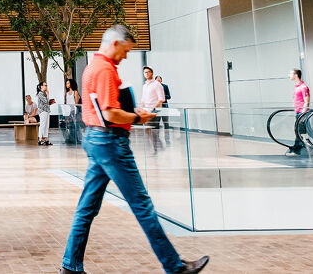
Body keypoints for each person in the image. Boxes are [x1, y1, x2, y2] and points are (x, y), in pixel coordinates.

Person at [60, 25, 208, 274]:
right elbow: (110, 113)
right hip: (112, 143)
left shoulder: (90, 68)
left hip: (96, 140)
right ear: (115, 43)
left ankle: (71, 267)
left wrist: (130, 113)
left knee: (86, 208)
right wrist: (137, 117)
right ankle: (175, 267)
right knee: (141, 204)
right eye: (126, 50)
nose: (126, 56)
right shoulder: (105, 69)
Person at [286, 69, 310, 157]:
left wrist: (302, 114)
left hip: (302, 113)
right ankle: (299, 149)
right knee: (300, 132)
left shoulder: (303, 87)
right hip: (298, 112)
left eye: (290, 73)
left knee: (299, 132)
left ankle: (297, 150)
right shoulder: (297, 87)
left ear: (296, 75)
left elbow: (306, 101)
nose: (289, 75)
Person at [141, 67, 166, 153]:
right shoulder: (144, 86)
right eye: (145, 72)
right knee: (148, 130)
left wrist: (153, 109)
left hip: (154, 111)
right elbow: (143, 100)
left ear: (152, 73)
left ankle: (155, 149)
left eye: (148, 72)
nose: (146, 74)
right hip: (146, 111)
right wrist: (142, 110)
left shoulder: (157, 84)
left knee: (153, 130)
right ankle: (159, 146)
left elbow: (161, 99)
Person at [62, 79, 82, 144]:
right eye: (66, 83)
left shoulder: (75, 92)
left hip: (74, 111)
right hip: (68, 112)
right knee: (69, 126)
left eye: (68, 83)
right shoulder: (66, 93)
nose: (67, 85)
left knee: (76, 125)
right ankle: (71, 138)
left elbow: (76, 103)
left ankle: (78, 139)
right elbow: (66, 103)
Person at [156, 75, 172, 145]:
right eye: (157, 80)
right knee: (156, 124)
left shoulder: (165, 86)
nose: (158, 81)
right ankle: (157, 139)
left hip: (164, 107)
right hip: (157, 108)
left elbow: (169, 96)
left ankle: (167, 139)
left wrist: (162, 96)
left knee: (166, 123)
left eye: (159, 80)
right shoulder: (153, 88)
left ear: (161, 81)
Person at [37, 82, 54, 146]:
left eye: (47, 85)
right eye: (45, 85)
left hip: (47, 111)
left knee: (46, 125)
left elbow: (47, 102)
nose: (46, 87)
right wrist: (48, 94)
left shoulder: (44, 93)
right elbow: (45, 101)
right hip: (43, 111)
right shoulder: (40, 93)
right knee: (42, 125)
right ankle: (40, 139)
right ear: (41, 86)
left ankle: (46, 140)